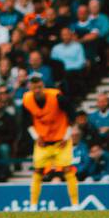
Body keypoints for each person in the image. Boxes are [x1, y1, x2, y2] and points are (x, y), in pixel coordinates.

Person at [23, 74, 79, 208]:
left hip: (61, 140)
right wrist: (36, 137)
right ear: (30, 87)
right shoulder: (26, 100)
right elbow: (25, 121)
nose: (37, 90)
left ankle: (75, 205)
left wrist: (67, 135)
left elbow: (72, 114)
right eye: (34, 86)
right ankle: (33, 206)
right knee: (38, 171)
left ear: (43, 86)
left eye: (39, 86)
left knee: (67, 170)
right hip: (42, 141)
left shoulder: (57, 97)